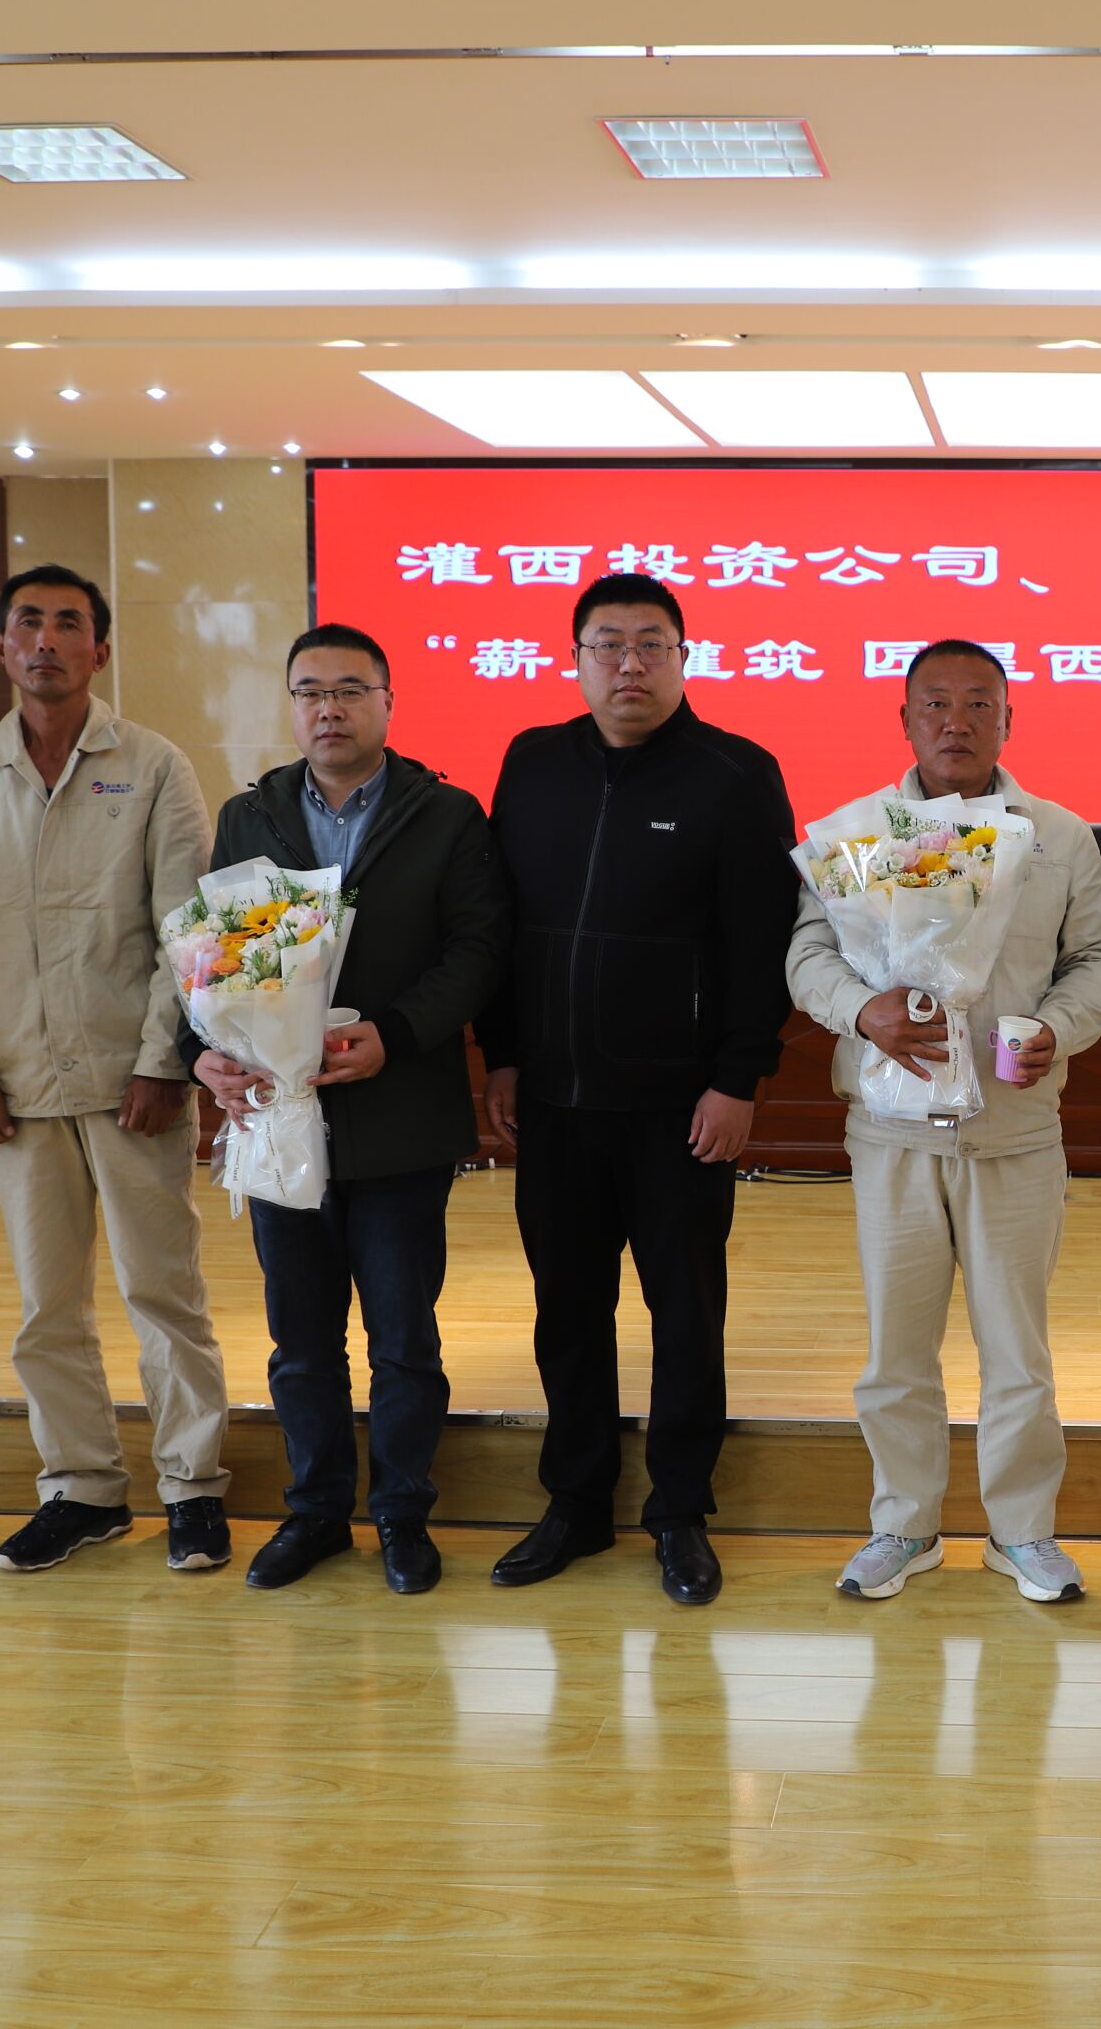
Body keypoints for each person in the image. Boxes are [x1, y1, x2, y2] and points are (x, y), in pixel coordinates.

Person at [477, 573, 799, 1606]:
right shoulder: (533, 761)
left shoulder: (736, 774)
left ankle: (679, 1511)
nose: (629, 663)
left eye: (651, 643)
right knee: (567, 1309)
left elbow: (762, 945)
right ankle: (575, 1503)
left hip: (680, 1109)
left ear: (683, 657)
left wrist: (738, 1080)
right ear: (575, 659)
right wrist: (503, 1055)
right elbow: (503, 924)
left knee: (685, 1313)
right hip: (555, 1103)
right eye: (607, 644)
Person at [789, 642, 1101, 1604]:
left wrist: (1055, 1027)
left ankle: (1022, 1532)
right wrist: (863, 1013)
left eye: (980, 703)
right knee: (896, 1349)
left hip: (1013, 1127)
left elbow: (1100, 957)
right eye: (935, 703)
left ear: (1009, 721)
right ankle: (905, 1525)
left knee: (1017, 1349)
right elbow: (808, 955)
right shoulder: (856, 834)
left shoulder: (1058, 836)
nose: (957, 721)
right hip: (891, 1132)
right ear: (905, 720)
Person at [0, 564, 231, 1574]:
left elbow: (188, 926)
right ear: (1, 647)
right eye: (27, 623)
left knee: (162, 1293)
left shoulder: (153, 766)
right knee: (46, 1308)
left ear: (100, 648)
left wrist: (164, 1060)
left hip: (135, 1084)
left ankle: (192, 1486)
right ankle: (82, 1489)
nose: (46, 640)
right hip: (16, 1089)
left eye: (67, 624)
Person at [187, 625, 511, 1597]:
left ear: (387, 702)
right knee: (301, 1342)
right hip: (279, 1116)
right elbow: (211, 955)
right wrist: (204, 1052)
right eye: (310, 691)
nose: (329, 708)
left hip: (400, 1113)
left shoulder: (446, 814)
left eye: (350, 690)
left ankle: (403, 1514)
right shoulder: (250, 815)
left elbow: (478, 950)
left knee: (404, 1340)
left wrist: (395, 1033)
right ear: (292, 706)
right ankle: (317, 1512)